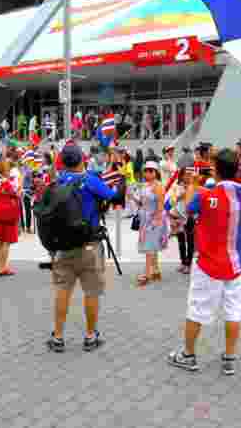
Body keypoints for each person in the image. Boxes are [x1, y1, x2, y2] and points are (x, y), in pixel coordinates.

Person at [168, 148, 241, 375]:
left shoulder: (204, 196)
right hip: (235, 264)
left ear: (215, 169)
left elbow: (180, 211)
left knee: (197, 309)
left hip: (208, 263)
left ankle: (188, 355)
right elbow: (222, 194)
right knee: (233, 310)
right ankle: (230, 357)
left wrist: (193, 185)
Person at [47, 144, 117, 353]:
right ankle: (90, 335)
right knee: (91, 291)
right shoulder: (90, 180)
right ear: (81, 160)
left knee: (62, 290)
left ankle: (58, 336)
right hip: (89, 245)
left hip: (63, 246)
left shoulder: (58, 182)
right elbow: (112, 195)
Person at [134, 161, 167, 286]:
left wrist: (157, 220)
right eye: (146, 170)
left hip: (154, 218)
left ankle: (147, 273)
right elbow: (141, 203)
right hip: (145, 218)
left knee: (149, 245)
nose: (148, 173)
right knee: (151, 245)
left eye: (151, 170)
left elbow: (160, 205)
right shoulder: (144, 185)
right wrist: (132, 196)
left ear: (156, 172)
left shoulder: (158, 186)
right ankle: (156, 270)